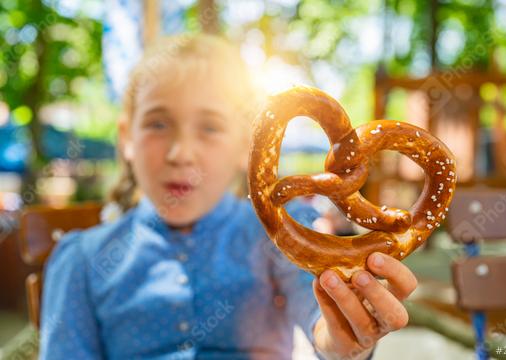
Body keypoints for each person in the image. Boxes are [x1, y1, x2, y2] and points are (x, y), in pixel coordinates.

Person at [40, 34, 417, 360]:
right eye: (158, 124)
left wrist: (347, 338)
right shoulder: (81, 262)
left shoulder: (280, 237)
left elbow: (322, 323)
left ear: (246, 146)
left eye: (209, 127)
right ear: (126, 139)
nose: (181, 153)